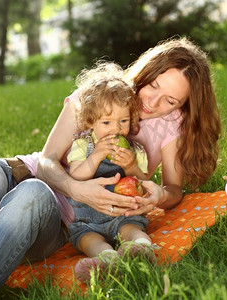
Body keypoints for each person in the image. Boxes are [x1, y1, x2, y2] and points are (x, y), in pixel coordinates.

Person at [0, 36, 220, 300]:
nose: (153, 102)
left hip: (50, 217)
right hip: (15, 171)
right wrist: (76, 187)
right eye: (154, 86)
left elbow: (174, 191)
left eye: (171, 100)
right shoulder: (98, 94)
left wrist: (159, 194)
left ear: (183, 105)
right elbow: (45, 161)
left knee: (31, 193)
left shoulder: (168, 126)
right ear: (146, 71)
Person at [65, 63, 156, 282]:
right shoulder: (82, 144)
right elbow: (76, 176)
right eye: (106, 122)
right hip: (87, 220)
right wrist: (95, 155)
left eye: (123, 121)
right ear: (90, 122)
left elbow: (144, 181)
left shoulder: (134, 150)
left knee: (132, 229)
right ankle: (107, 262)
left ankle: (141, 250)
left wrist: (131, 166)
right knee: (88, 240)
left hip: (123, 214)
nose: (115, 129)